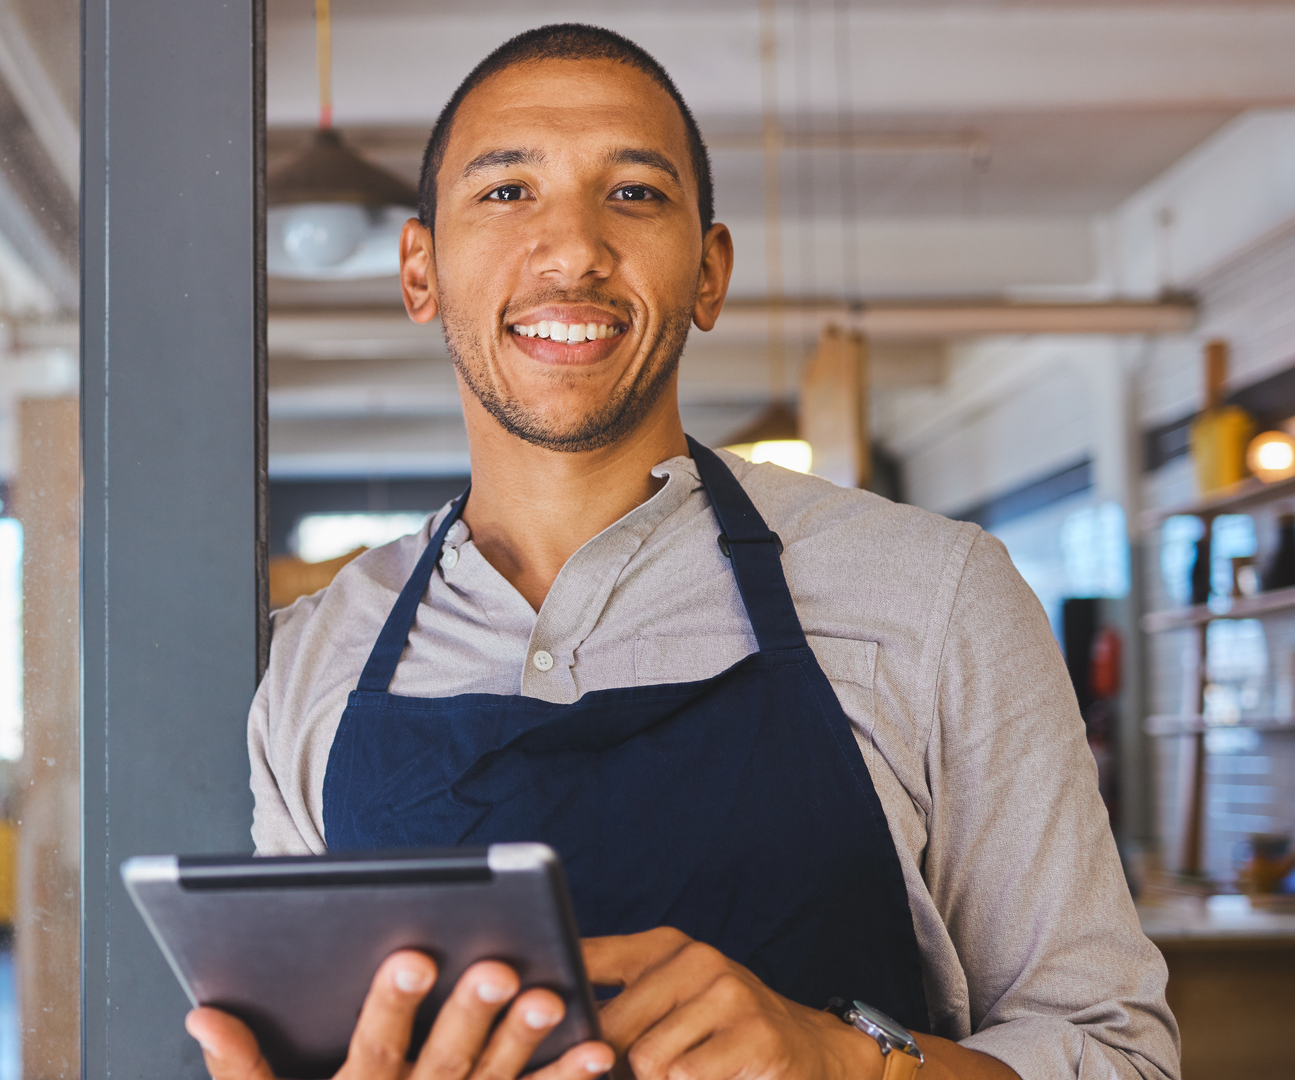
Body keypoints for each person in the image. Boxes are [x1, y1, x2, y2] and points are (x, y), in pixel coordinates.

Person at [188, 23, 1179, 1080]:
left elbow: (1123, 1057)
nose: (572, 249)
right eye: (507, 192)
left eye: (635, 194)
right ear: (420, 270)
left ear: (709, 274)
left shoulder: (939, 597)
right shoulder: (310, 661)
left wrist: (849, 1064)